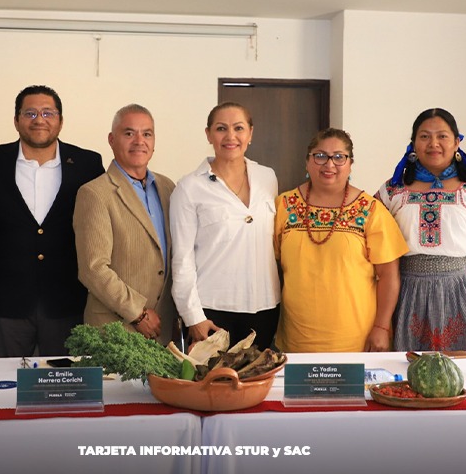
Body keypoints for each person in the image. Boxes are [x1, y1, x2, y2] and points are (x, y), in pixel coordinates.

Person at [0, 85, 104, 357]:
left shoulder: (87, 163)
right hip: (5, 299)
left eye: (48, 113)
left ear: (60, 121)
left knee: (68, 379)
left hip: (69, 300)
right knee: (2, 378)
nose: (39, 120)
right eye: (30, 113)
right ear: (16, 120)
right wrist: (3, 257)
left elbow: (98, 227)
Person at [377, 108, 466, 352]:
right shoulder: (392, 191)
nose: (433, 143)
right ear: (413, 143)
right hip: (408, 294)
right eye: (425, 136)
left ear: (457, 142)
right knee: (412, 368)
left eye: (442, 136)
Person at [275, 128, 407, 352]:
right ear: (307, 162)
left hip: (356, 337)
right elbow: (273, 267)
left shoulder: (371, 210)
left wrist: (382, 327)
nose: (329, 164)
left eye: (339, 157)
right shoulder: (284, 205)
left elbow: (388, 275)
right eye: (320, 156)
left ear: (350, 164)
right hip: (296, 336)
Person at [170, 102, 280, 350]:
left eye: (238, 128)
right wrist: (193, 317)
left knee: (258, 375)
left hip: (265, 309)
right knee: (213, 376)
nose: (231, 136)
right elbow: (182, 259)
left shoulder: (268, 177)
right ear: (208, 134)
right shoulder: (189, 188)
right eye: (221, 128)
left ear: (250, 133)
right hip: (211, 312)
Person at [74, 104, 176, 344]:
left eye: (147, 134)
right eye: (129, 133)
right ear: (112, 139)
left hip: (163, 329)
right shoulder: (95, 193)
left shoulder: (168, 188)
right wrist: (138, 314)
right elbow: (93, 268)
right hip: (116, 330)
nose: (139, 141)